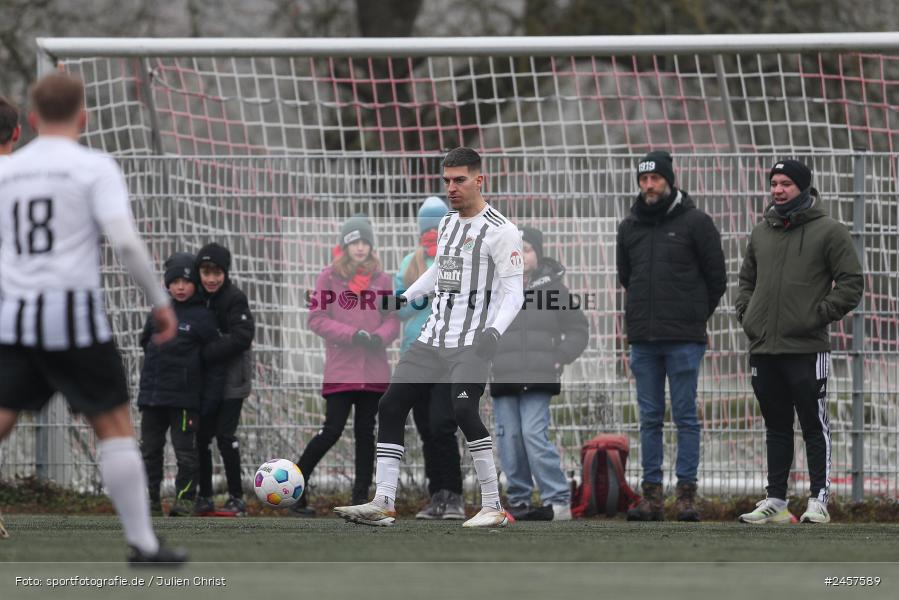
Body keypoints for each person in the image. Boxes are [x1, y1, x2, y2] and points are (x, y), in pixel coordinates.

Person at [0, 72, 185, 562]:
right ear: (83, 117)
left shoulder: (7, 172)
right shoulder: (94, 167)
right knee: (114, 427)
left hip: (15, 319)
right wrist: (160, 302)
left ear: (32, 119)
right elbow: (126, 242)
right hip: (75, 320)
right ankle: (143, 544)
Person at [334, 147, 525, 528]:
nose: (451, 187)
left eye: (460, 180)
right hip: (431, 339)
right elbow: (440, 273)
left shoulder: (502, 230)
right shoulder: (449, 224)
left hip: (471, 343)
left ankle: (492, 506)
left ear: (479, 180)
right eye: (447, 180)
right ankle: (383, 502)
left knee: (464, 412)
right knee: (391, 406)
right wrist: (404, 298)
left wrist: (493, 331)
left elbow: (514, 293)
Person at [736, 159, 862, 525]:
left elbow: (852, 283)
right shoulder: (760, 232)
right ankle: (776, 500)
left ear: (803, 187)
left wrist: (816, 315)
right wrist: (747, 315)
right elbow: (746, 282)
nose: (777, 189)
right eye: (774, 183)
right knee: (776, 426)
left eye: (786, 183)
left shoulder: (830, 231)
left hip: (807, 348)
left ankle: (818, 500)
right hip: (764, 347)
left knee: (813, 424)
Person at [616, 151, 726, 522]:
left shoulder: (697, 223)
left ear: (669, 180)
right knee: (649, 418)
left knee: (685, 417)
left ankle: (686, 497)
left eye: (655, 178)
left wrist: (693, 317)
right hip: (643, 341)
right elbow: (627, 277)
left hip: (684, 340)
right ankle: (652, 497)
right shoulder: (629, 227)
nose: (649, 185)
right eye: (644, 179)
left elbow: (717, 279)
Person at [289, 214, 399, 516]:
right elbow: (317, 318)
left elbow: (392, 320)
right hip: (341, 370)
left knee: (366, 433)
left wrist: (379, 337)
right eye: (354, 242)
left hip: (373, 372)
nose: (360, 248)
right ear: (345, 246)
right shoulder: (329, 277)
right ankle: (296, 488)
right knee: (332, 430)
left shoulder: (382, 280)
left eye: (365, 242)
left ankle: (361, 497)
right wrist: (352, 335)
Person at [490, 225, 588, 522]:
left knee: (533, 434)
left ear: (538, 254)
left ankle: (557, 499)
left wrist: (559, 357)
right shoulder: (495, 290)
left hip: (539, 378)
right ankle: (518, 499)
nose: (520, 256)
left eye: (527, 250)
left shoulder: (555, 290)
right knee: (509, 438)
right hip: (504, 377)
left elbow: (578, 329)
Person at [395, 196, 465, 520]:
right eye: (427, 228)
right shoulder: (409, 263)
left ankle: (454, 496)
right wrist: (424, 294)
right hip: (415, 353)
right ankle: (436, 495)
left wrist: (421, 295)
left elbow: (451, 302)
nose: (431, 234)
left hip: (445, 354)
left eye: (437, 227)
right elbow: (400, 307)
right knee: (425, 429)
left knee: (442, 424)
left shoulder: (453, 259)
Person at [138, 253, 221, 517]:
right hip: (152, 398)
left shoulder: (203, 317)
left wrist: (207, 397)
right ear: (167, 284)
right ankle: (150, 502)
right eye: (175, 282)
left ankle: (184, 501)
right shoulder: (159, 312)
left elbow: (214, 360)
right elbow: (145, 342)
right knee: (149, 451)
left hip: (184, 401)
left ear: (195, 283)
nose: (181, 287)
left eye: (186, 282)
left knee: (185, 453)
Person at [193, 242, 255, 516]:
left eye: (217, 272)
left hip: (232, 383)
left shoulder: (235, 298)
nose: (211, 278)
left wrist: (206, 351)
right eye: (206, 272)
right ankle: (204, 496)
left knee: (225, 436)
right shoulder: (195, 297)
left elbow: (242, 336)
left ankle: (236, 497)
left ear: (225, 273)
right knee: (201, 438)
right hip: (204, 383)